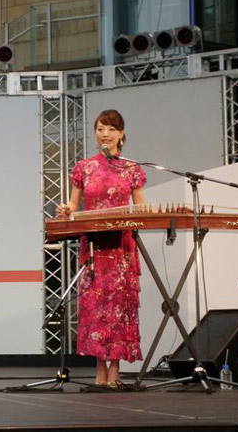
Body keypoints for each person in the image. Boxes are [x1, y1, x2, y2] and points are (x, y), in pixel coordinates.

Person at [55, 109, 146, 388]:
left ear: (121, 134)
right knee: (94, 306)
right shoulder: (84, 167)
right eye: (100, 129)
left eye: (110, 129)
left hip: (120, 248)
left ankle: (115, 367)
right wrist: (66, 210)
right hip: (94, 246)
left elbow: (141, 206)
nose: (105, 134)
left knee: (118, 306)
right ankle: (99, 366)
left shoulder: (131, 168)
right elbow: (74, 204)